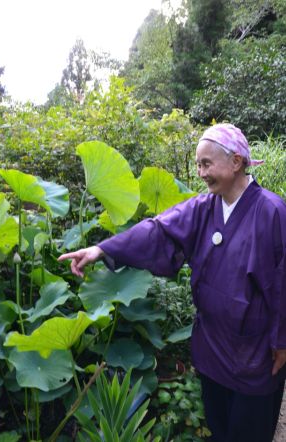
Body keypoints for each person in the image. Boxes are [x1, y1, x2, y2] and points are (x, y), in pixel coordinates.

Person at [58, 123, 286, 442]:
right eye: (198, 165)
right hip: (213, 349)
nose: (201, 172)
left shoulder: (272, 212)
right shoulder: (203, 208)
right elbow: (158, 231)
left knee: (249, 434)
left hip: (253, 354)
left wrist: (282, 342)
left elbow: (282, 283)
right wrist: (102, 249)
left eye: (206, 164)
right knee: (221, 431)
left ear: (236, 162)